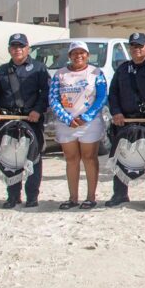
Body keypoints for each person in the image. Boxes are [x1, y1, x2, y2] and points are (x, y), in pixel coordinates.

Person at [0, 32, 49, 208]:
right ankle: (13, 196)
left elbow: (46, 93)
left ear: (27, 48)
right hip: (8, 120)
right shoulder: (1, 70)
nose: (18, 50)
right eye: (14, 47)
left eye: (21, 46)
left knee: (33, 159)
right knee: (11, 159)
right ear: (9, 50)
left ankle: (32, 197)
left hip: (31, 120)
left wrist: (37, 110)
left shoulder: (39, 68)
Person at [105, 32, 145, 208]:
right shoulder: (123, 69)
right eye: (134, 46)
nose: (137, 49)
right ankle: (120, 194)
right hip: (126, 122)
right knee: (121, 157)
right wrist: (116, 112)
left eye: (140, 46)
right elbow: (114, 92)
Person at [49, 41, 108, 210]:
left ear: (88, 55)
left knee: (89, 158)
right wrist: (66, 118)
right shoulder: (60, 74)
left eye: (82, 53)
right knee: (71, 159)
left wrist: (87, 116)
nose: (78, 56)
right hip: (66, 123)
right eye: (75, 53)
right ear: (69, 56)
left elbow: (102, 96)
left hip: (89, 123)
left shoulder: (96, 73)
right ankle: (73, 198)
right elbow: (53, 98)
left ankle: (90, 197)